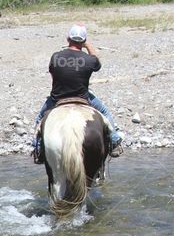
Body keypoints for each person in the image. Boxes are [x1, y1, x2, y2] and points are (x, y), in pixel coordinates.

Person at [33, 24, 123, 156]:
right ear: (83, 41)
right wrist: (87, 45)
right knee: (104, 112)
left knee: (39, 119)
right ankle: (114, 140)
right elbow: (97, 61)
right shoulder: (89, 59)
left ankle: (38, 148)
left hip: (57, 98)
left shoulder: (56, 56)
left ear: (68, 38)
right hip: (83, 97)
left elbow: (53, 76)